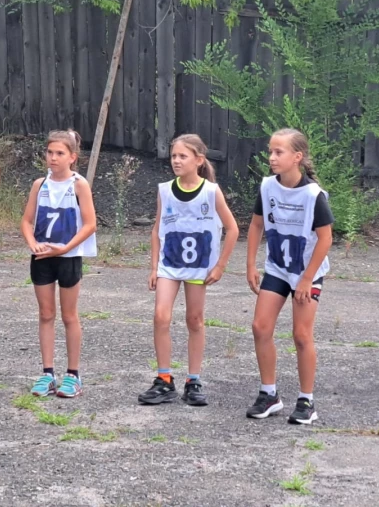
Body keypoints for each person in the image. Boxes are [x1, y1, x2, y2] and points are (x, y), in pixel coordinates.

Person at [137, 134, 239, 407]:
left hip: (198, 267)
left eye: (183, 156)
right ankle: (164, 379)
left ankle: (193, 380)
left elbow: (233, 229)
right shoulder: (165, 190)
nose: (176, 161)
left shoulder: (211, 191)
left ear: (199, 160)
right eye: (173, 156)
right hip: (169, 264)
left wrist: (220, 265)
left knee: (194, 320)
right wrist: (153, 266)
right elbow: (158, 230)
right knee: (161, 316)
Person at [245, 128, 333, 425]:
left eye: (278, 152)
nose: (271, 157)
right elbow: (256, 226)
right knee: (260, 326)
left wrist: (307, 278)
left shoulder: (313, 195)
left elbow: (325, 239)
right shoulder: (268, 186)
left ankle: (307, 401)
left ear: (297, 157)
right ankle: (269, 394)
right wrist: (250, 265)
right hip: (278, 268)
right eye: (270, 151)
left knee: (301, 334)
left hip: (307, 272)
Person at [20, 130, 97, 399]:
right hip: (42, 256)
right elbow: (27, 221)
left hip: (68, 256)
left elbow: (90, 223)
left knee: (69, 315)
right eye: (50, 152)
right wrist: (32, 242)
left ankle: (73, 374)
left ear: (72, 158)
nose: (53, 158)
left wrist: (66, 247)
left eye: (60, 153)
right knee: (45, 313)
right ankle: (47, 373)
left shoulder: (79, 185)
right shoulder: (39, 185)